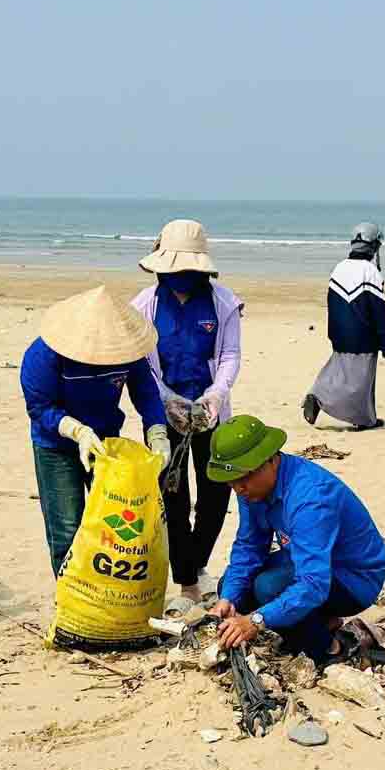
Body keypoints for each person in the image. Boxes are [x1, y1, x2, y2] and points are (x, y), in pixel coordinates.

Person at [206, 415, 385, 661]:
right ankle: (321, 622)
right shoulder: (251, 489)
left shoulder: (310, 499)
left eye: (243, 479)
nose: (238, 489)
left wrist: (256, 620)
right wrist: (228, 597)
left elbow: (314, 584)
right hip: (307, 560)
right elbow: (249, 546)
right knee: (232, 584)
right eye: (232, 482)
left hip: (354, 577)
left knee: (267, 587)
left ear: (270, 460)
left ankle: (331, 648)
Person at [129, 221, 243, 611]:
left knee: (215, 494)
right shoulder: (144, 306)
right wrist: (168, 400)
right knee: (173, 497)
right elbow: (143, 364)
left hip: (211, 415)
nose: (180, 278)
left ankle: (195, 565)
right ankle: (188, 584)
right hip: (165, 416)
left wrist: (215, 394)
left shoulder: (223, 303)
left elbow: (229, 354)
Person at [21, 287, 171, 579]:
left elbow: (146, 393)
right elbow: (39, 407)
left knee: (115, 526)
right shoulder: (42, 355)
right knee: (66, 527)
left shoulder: (124, 351)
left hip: (105, 442)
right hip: (56, 446)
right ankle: (68, 597)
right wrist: (77, 431)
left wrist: (157, 433)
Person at [303, 223, 385, 431]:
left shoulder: (339, 268)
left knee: (338, 371)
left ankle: (319, 395)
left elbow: (332, 304)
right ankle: (357, 417)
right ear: (374, 246)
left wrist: (333, 333)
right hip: (364, 336)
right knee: (361, 383)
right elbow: (379, 311)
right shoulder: (371, 272)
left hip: (339, 333)